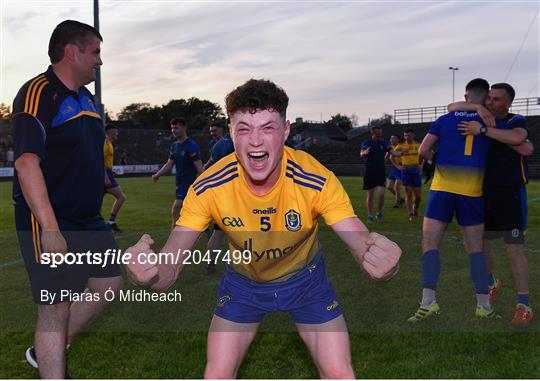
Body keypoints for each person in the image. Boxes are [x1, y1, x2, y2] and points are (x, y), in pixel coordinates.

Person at [126, 79, 402, 378]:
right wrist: (150, 274)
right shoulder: (208, 188)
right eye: (244, 128)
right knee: (216, 375)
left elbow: (359, 241)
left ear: (284, 132)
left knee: (341, 374)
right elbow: (171, 264)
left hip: (307, 283)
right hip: (243, 285)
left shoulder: (316, 180)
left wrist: (378, 260)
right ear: (230, 132)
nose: (255, 141)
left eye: (268, 127)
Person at [11, 20, 122, 378]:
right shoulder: (39, 92)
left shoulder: (87, 99)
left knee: (109, 286)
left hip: (88, 218)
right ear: (72, 52)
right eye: (95, 53)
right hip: (49, 217)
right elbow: (27, 162)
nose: (99, 62)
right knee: (54, 306)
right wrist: (50, 228)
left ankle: (45, 349)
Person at [408, 78, 497, 321]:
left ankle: (428, 302)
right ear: (486, 97)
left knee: (430, 245)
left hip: (442, 189)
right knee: (476, 250)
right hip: (472, 191)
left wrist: (435, 159)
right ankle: (483, 306)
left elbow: (423, 150)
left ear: (466, 97)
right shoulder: (490, 121)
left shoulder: (445, 119)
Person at [448, 83, 534, 324]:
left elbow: (520, 139)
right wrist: (477, 109)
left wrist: (484, 130)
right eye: (488, 98)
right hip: (480, 193)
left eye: (496, 99)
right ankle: (491, 281)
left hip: (510, 196)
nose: (490, 103)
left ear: (508, 103)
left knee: (514, 248)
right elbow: (452, 106)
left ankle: (523, 303)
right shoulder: (478, 115)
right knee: (478, 243)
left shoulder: (516, 120)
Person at [152, 118, 204, 228]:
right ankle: (206, 231)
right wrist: (158, 174)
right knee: (191, 213)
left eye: (176, 128)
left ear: (184, 128)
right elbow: (169, 164)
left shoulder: (191, 146)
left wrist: (206, 183)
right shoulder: (174, 146)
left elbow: (199, 168)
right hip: (179, 184)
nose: (173, 130)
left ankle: (173, 239)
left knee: (176, 210)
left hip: (189, 184)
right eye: (172, 128)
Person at [203, 126, 235, 276]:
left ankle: (210, 266)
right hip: (237, 194)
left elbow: (211, 164)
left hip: (220, 193)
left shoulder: (217, 146)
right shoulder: (239, 143)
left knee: (218, 232)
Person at [360, 126, 392, 223]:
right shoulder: (366, 142)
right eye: (378, 134)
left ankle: (379, 213)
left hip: (380, 172)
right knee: (370, 195)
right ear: (372, 133)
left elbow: (392, 151)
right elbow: (361, 153)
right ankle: (370, 216)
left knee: (381, 194)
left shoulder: (383, 142)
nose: (379, 135)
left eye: (380, 133)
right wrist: (364, 153)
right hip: (369, 172)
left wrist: (401, 153)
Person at [394, 129, 423, 221]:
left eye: (409, 135)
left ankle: (415, 208)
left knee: (418, 196)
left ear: (413, 136)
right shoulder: (400, 146)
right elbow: (391, 156)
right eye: (405, 135)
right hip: (405, 171)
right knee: (408, 193)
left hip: (415, 171)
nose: (407, 137)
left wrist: (420, 165)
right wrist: (398, 166)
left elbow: (422, 156)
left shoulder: (418, 145)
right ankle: (411, 213)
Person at [103, 124, 127, 232]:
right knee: (121, 197)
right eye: (116, 132)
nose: (117, 134)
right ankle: (111, 222)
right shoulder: (105, 143)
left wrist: (110, 171)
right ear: (111, 133)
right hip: (103, 174)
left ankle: (108, 223)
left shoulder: (109, 143)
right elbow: (99, 160)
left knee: (96, 201)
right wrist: (106, 176)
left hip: (106, 173)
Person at [386, 134, 404, 208]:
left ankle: (398, 203)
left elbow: (391, 158)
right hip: (394, 168)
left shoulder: (401, 147)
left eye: (393, 138)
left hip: (400, 168)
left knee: (396, 187)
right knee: (389, 187)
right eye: (390, 138)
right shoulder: (390, 147)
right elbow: (387, 158)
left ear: (398, 139)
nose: (391, 140)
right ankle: (400, 199)